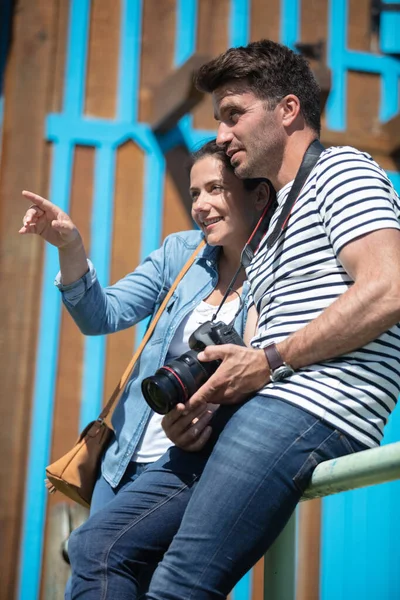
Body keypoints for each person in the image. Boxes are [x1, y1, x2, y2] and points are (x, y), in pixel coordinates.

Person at [138, 40, 400, 600]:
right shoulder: (274, 216)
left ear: (287, 110)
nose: (223, 135)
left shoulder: (341, 169)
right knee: (104, 548)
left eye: (235, 115)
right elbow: (255, 349)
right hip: (268, 402)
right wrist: (204, 407)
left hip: (315, 402)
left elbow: (390, 289)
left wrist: (272, 359)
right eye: (219, 119)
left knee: (178, 583)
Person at [19, 140, 273, 598]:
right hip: (123, 463)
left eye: (216, 188)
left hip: (193, 468)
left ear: (256, 193)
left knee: (156, 582)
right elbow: (102, 315)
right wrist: (71, 247)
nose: (202, 205)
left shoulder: (276, 274)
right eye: (195, 193)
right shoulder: (182, 253)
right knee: (98, 569)